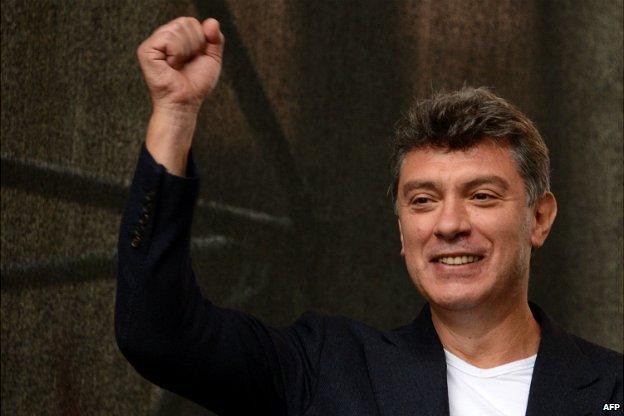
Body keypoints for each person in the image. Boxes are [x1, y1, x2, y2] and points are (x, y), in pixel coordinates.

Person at [115, 16, 623, 416]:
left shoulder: (612, 387)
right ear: (402, 229)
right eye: (423, 200)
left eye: (482, 196)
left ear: (539, 219)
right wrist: (175, 113)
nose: (448, 225)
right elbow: (158, 334)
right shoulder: (327, 370)